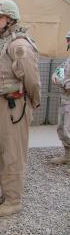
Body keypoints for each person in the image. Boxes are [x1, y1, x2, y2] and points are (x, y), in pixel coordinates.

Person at [0, 0, 41, 217]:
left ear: (11, 18)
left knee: (13, 154)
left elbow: (33, 79)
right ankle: (5, 194)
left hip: (13, 105)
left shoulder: (19, 45)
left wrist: (33, 102)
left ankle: (14, 200)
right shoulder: (0, 44)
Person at [50, 30, 70, 168]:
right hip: (64, 101)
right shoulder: (68, 60)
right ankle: (68, 156)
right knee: (62, 128)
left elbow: (63, 81)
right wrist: (58, 78)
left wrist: (62, 82)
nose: (68, 42)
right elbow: (57, 73)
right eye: (68, 39)